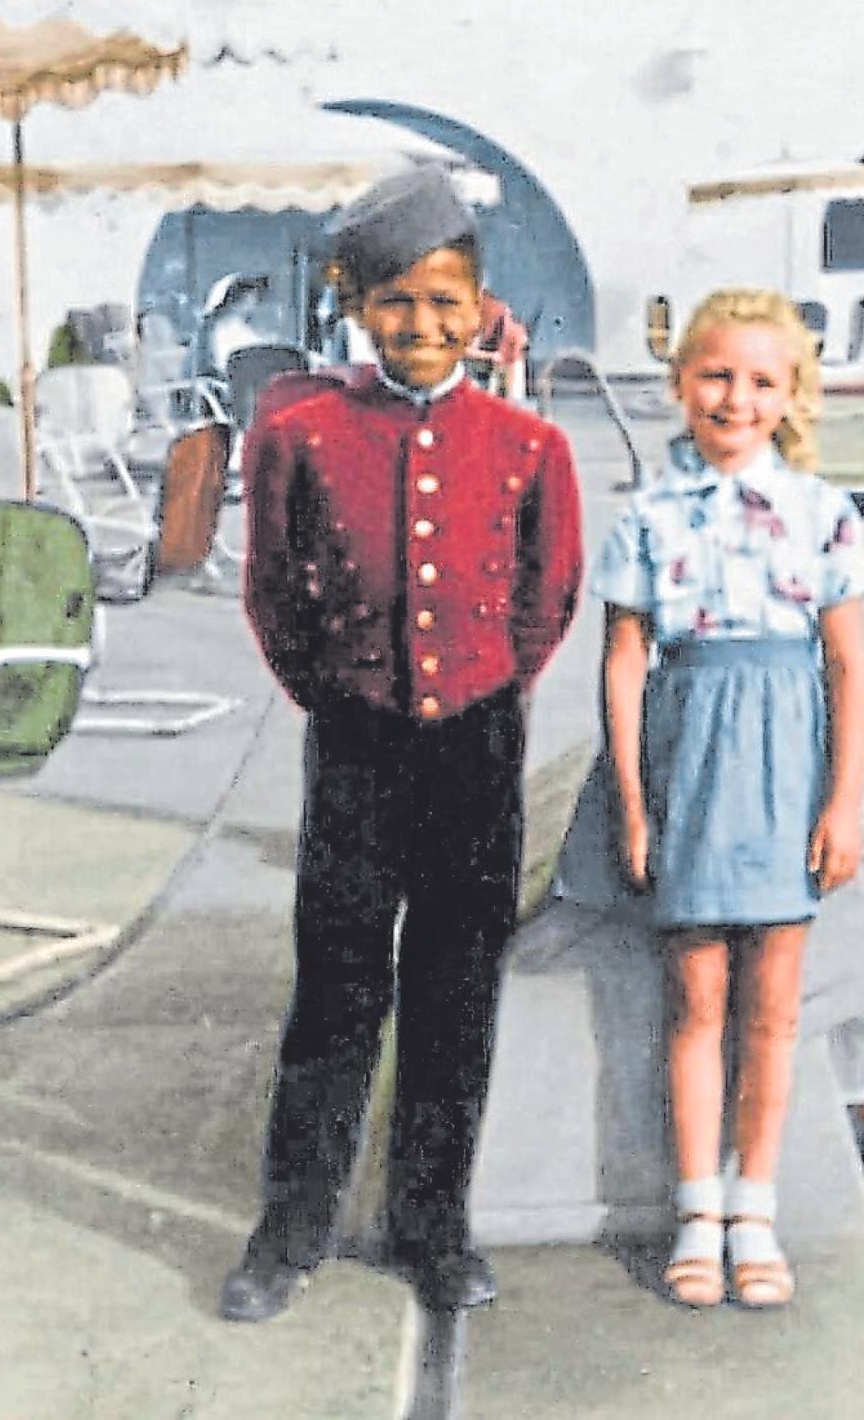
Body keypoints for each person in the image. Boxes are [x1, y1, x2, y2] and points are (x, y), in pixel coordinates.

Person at [219, 166, 583, 1321]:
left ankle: (433, 1228)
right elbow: (273, 594)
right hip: (358, 745)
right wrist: (342, 695)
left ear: (480, 309)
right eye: (396, 304)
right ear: (355, 307)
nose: (421, 328)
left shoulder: (528, 446)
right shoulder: (303, 431)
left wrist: (479, 691)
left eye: (445, 303)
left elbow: (549, 597)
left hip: (475, 747)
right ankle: (292, 1228)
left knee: (454, 989)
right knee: (335, 987)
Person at [562, 288, 864, 1308]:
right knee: (695, 1005)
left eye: (759, 380)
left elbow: (849, 669)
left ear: (790, 395)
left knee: (773, 1013)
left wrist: (843, 805)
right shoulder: (650, 516)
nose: (734, 398)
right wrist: (634, 801)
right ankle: (697, 1213)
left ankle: (757, 1212)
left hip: (786, 770)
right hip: (688, 763)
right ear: (680, 383)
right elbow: (622, 661)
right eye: (715, 376)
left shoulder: (822, 513)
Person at [197, 273, 270, 380]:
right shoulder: (214, 332)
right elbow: (220, 366)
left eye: (252, 291)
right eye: (243, 291)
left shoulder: (246, 329)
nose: (251, 296)